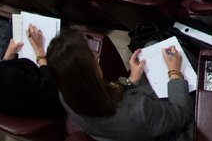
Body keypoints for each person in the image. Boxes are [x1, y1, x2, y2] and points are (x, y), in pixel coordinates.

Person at [48, 29, 193, 141]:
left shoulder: (66, 95)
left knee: (151, 47)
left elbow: (105, 94)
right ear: (91, 74)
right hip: (158, 129)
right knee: (183, 58)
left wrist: (131, 80)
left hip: (122, 129)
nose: (97, 59)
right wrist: (174, 72)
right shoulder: (140, 110)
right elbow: (181, 113)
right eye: (93, 58)